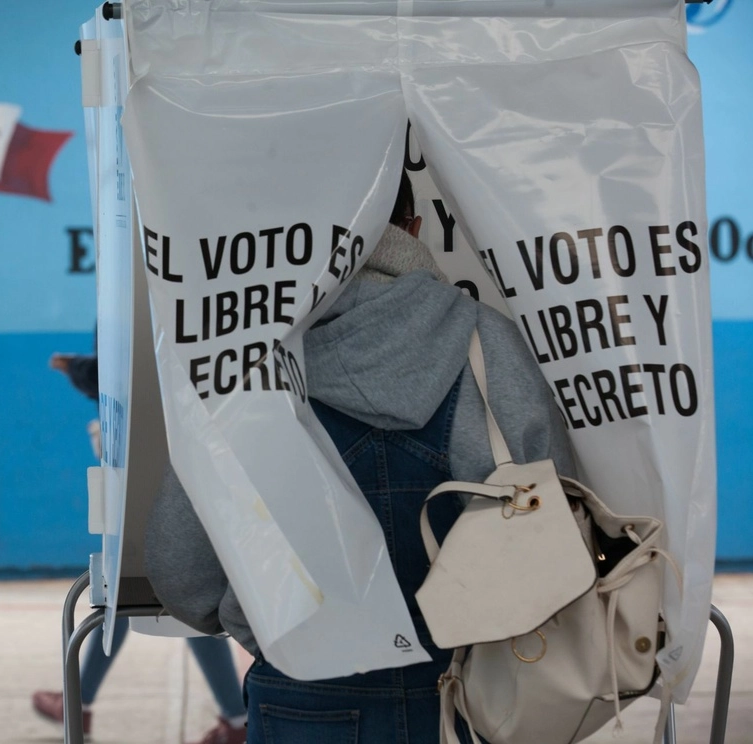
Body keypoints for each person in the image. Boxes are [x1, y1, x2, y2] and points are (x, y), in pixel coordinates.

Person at [144, 170, 575, 744]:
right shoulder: (492, 345)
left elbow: (185, 576)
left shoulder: (243, 365)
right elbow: (564, 530)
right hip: (483, 702)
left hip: (304, 703)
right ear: (413, 228)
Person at [33, 349, 248, 744]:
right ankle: (79, 702)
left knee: (169, 587)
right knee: (142, 591)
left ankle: (236, 718)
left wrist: (79, 369)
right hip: (183, 439)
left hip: (157, 451)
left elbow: (123, 361)